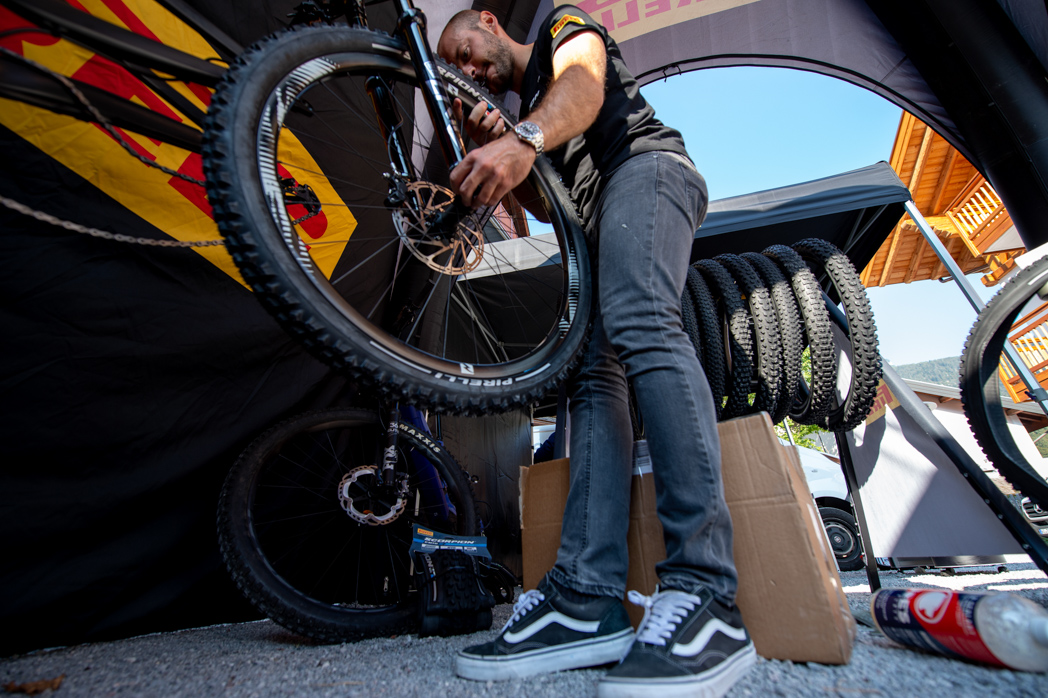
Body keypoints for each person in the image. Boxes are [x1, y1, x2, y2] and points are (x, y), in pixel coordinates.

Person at [437, 7, 755, 696]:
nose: (467, 70)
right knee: (589, 375)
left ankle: (707, 590)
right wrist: (504, 147)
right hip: (594, 213)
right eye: (456, 68)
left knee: (643, 322)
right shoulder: (524, 112)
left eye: (464, 51)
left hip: (645, 171)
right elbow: (543, 204)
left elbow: (584, 86)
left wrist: (521, 136)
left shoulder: (561, 29)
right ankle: (586, 596)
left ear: (488, 22)